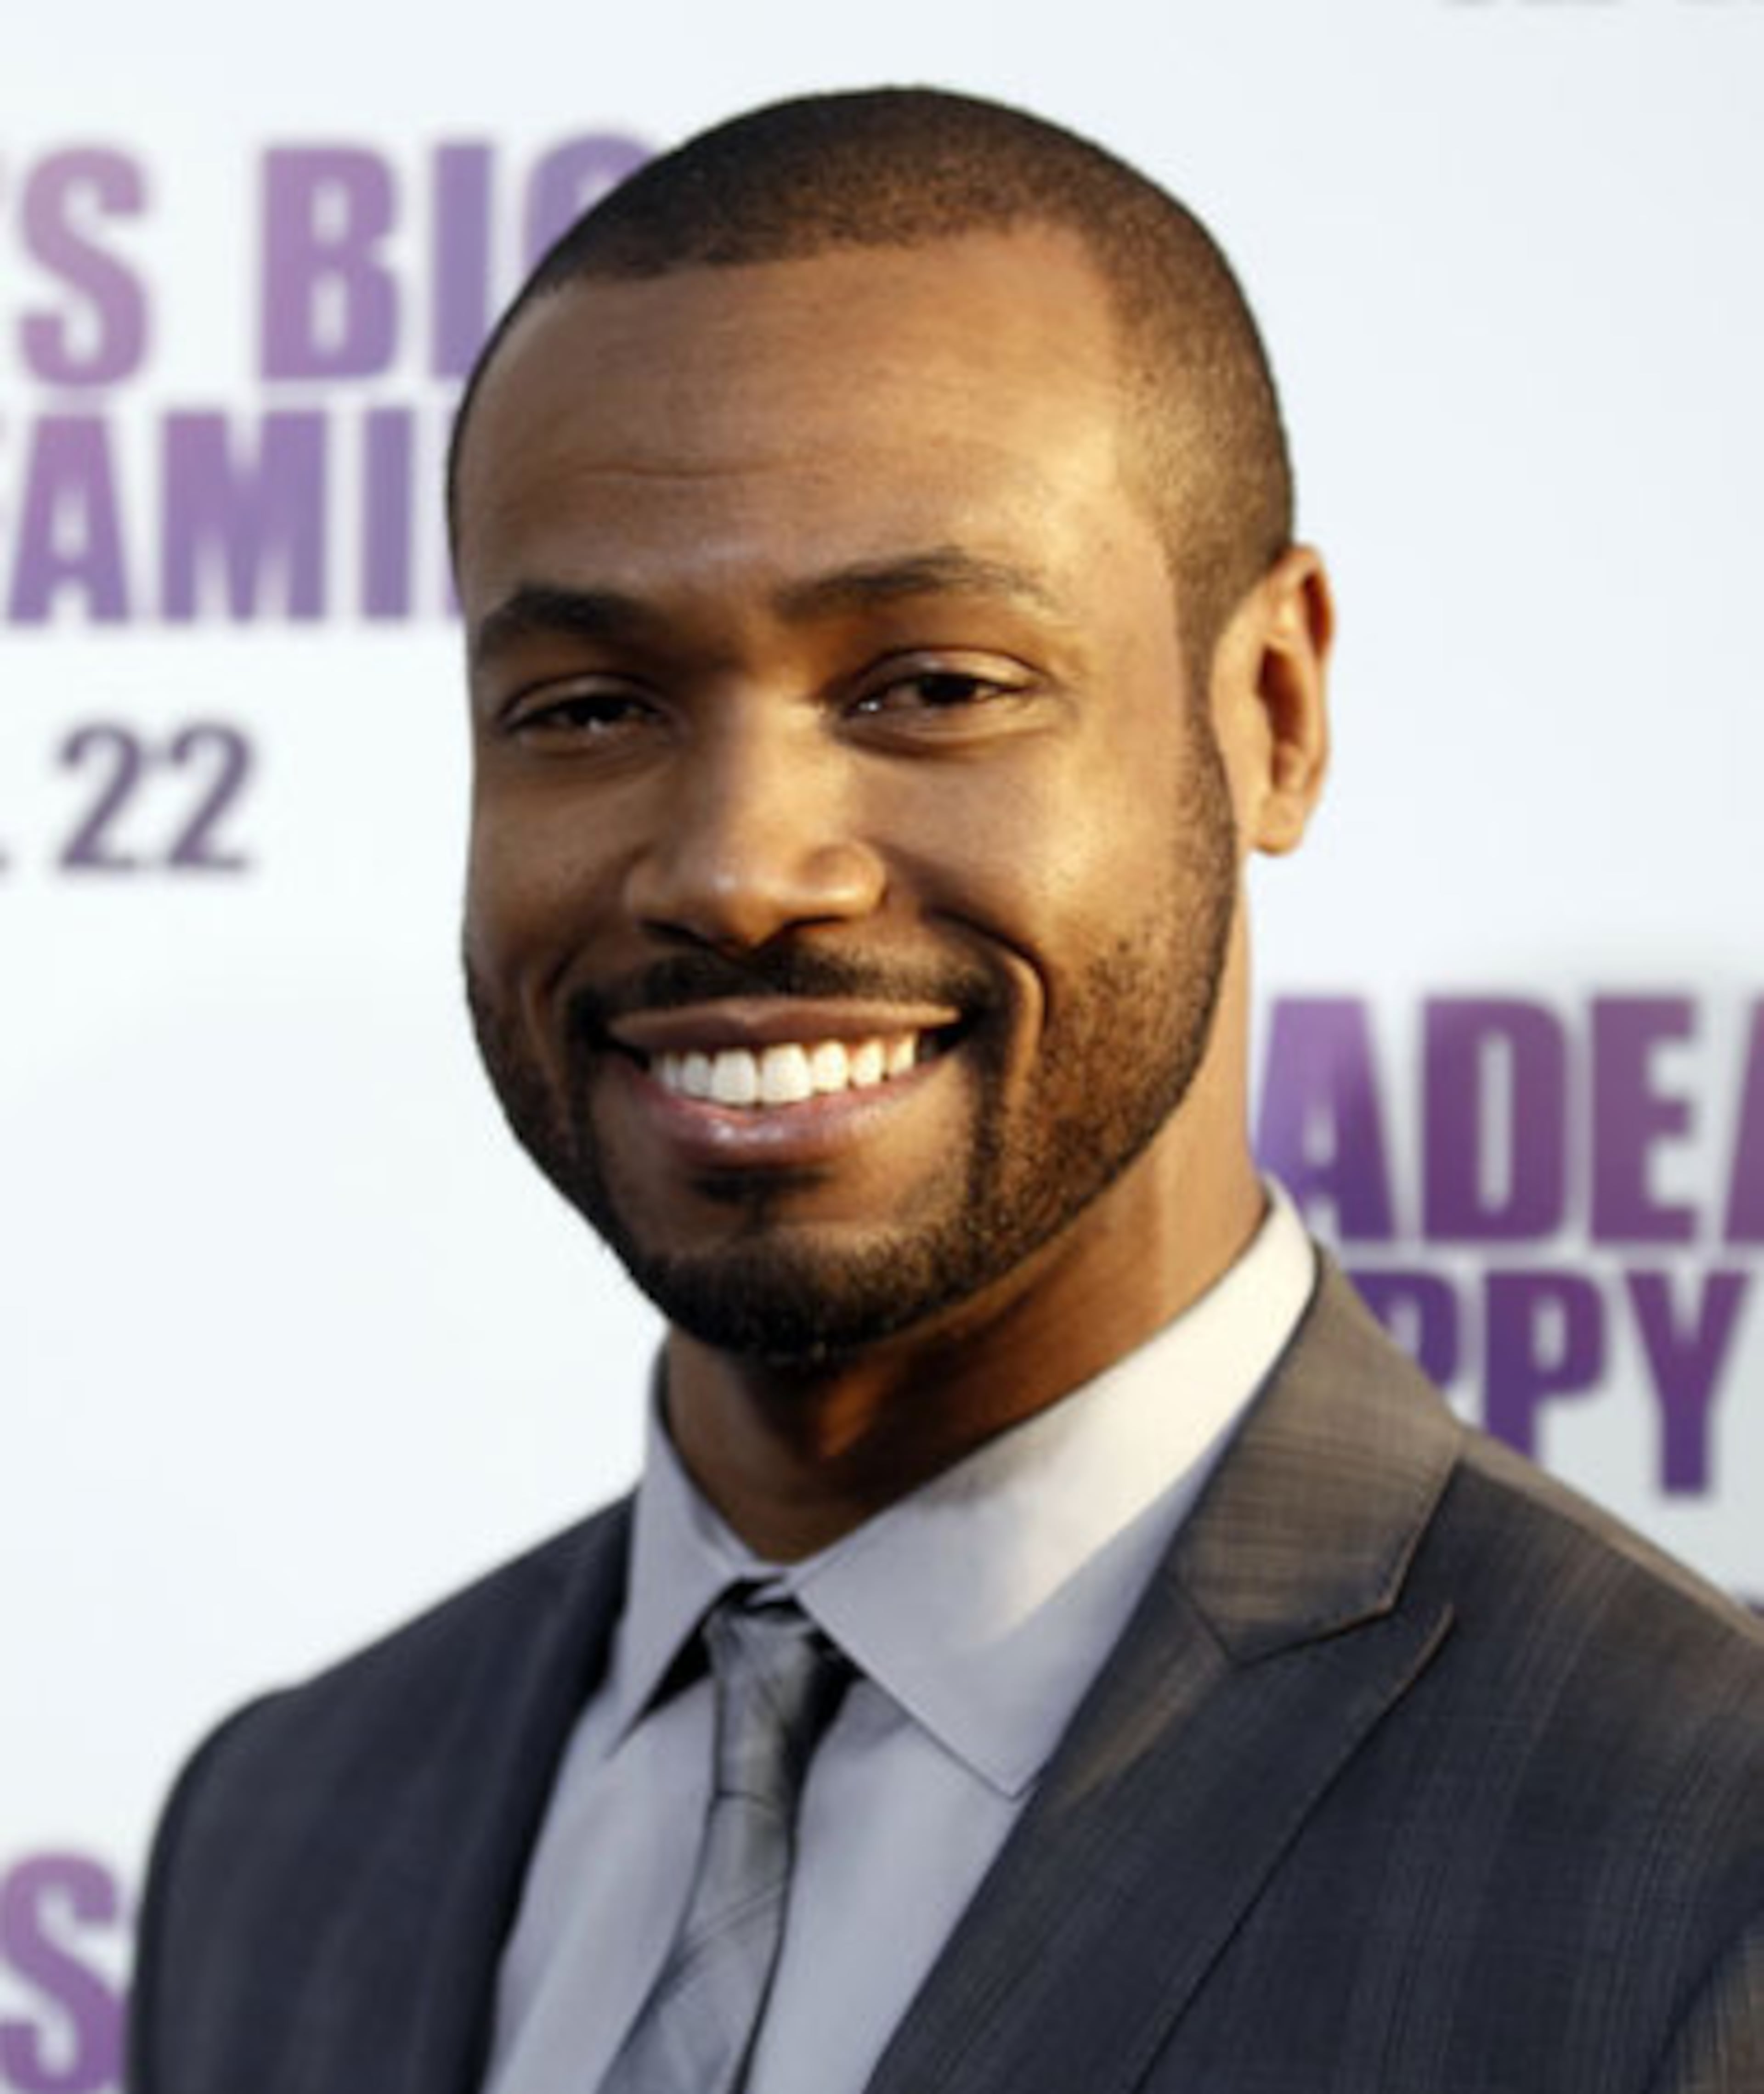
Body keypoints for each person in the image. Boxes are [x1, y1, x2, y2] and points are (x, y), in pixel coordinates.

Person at [127, 87, 1764, 2094]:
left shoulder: (1702, 1862)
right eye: (590, 709)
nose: (737, 866)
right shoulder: (282, 1831)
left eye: (930, 683)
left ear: (1273, 712)